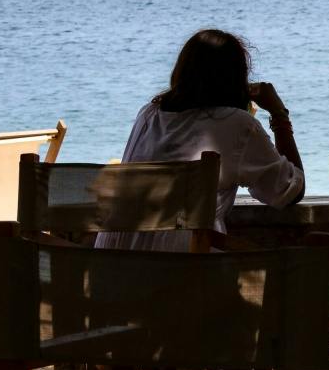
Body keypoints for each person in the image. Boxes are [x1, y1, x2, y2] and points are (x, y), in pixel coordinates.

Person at [97, 28, 305, 251]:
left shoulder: (148, 114)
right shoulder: (237, 124)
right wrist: (279, 114)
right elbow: (289, 190)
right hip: (186, 271)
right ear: (236, 79)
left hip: (113, 267)